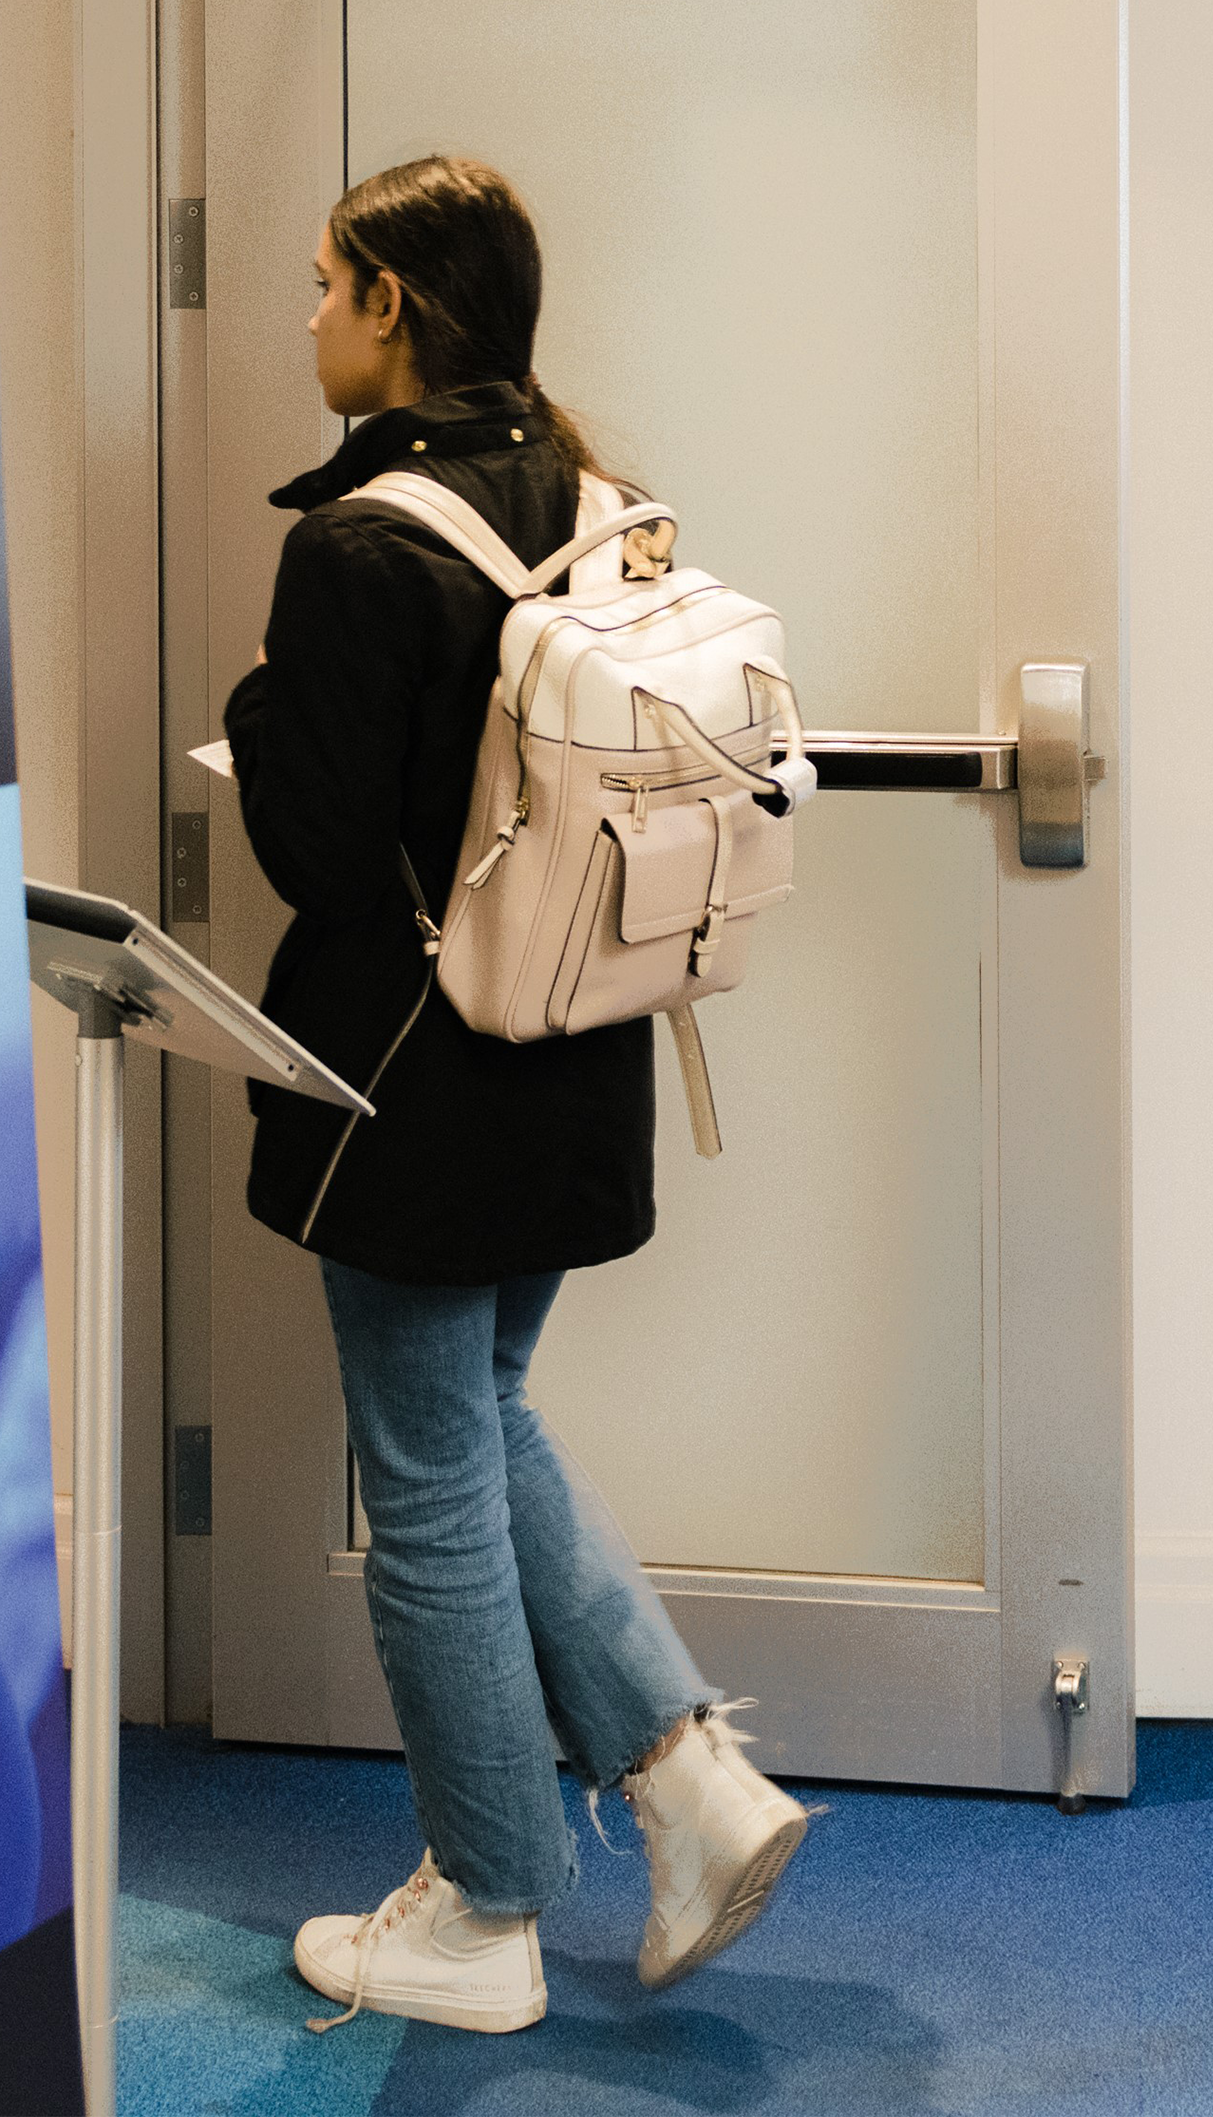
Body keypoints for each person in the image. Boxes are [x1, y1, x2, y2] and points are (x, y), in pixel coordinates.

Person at [224, 154, 807, 2036]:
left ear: (395, 304)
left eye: (326, 284)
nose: (306, 315)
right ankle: (688, 1780)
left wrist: (270, 706)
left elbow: (320, 848)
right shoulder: (596, 502)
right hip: (576, 1043)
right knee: (482, 1411)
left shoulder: (359, 544)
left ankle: (483, 1917)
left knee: (425, 1483)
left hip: (408, 1070)